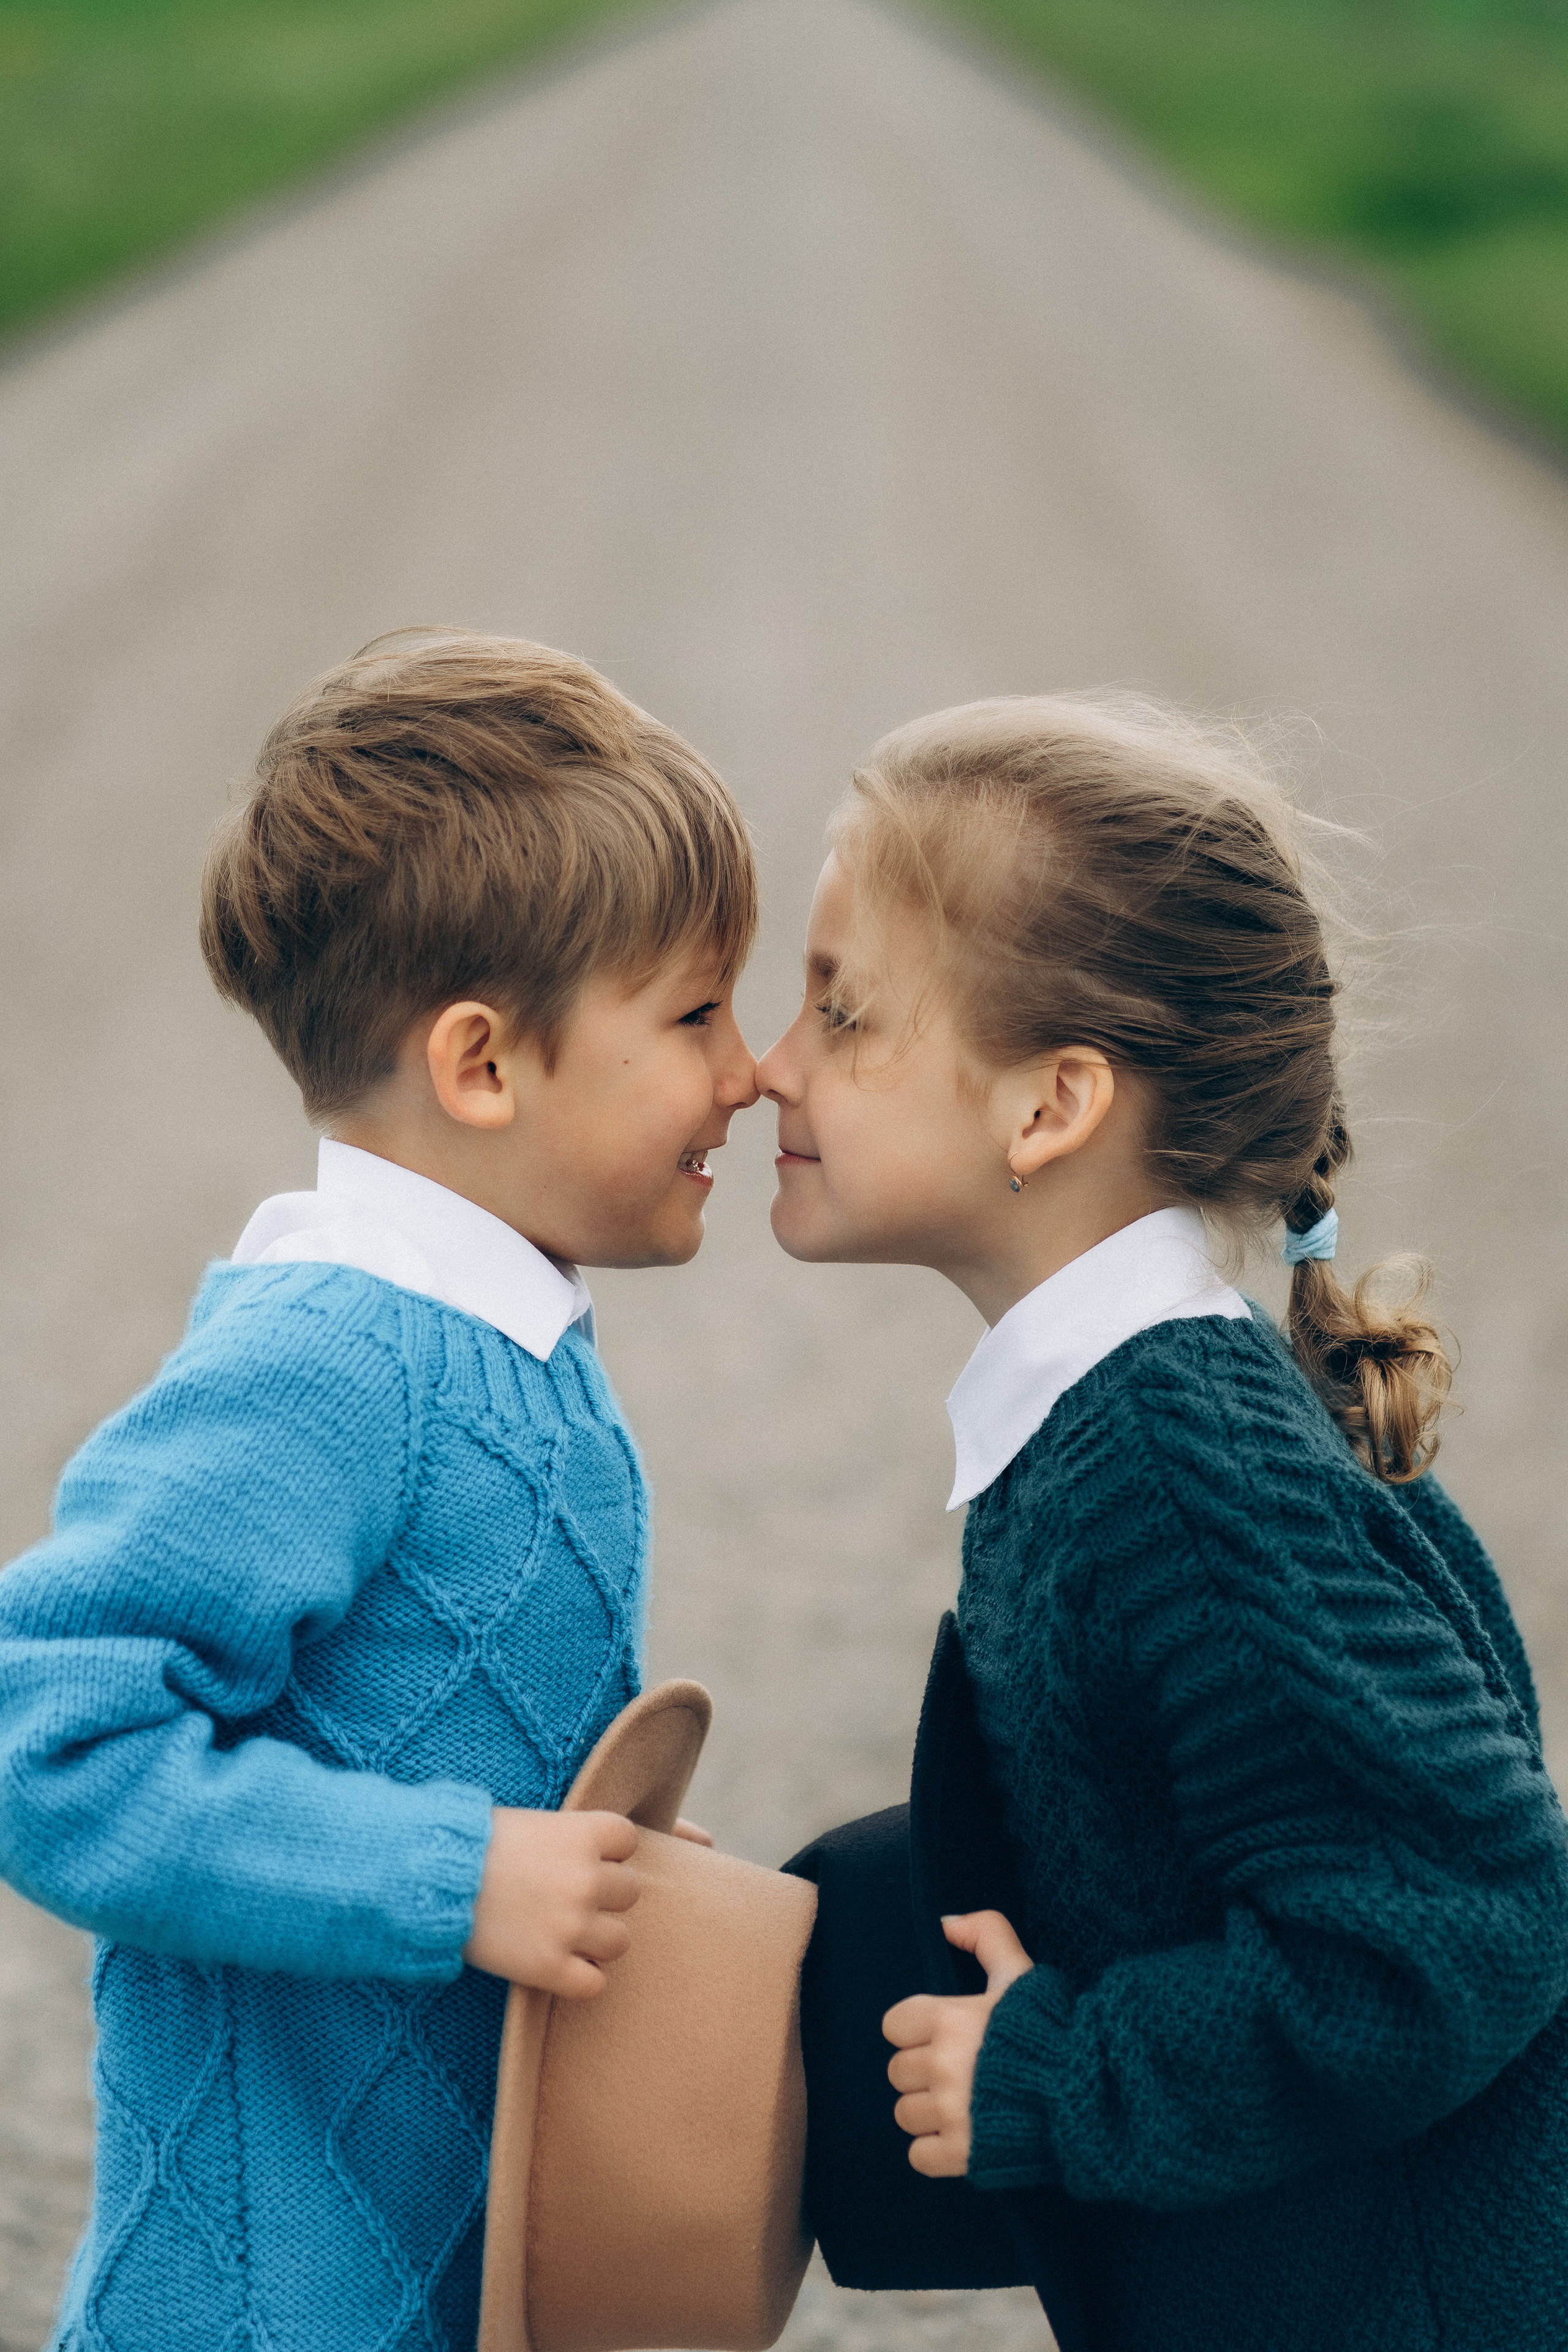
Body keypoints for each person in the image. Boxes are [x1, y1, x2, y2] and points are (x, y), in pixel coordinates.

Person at [756, 693, 1568, 2351]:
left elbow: (1464, 1920)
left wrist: (1061, 2071)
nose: (771, 1064)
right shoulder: (1115, 1424)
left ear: (1048, 1107)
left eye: (841, 1013)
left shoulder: (1176, 1465)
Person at [0, 630, 758, 2352]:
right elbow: (47, 1728)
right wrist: (458, 1874)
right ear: (483, 1064)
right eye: (698, 1013)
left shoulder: (505, 1336)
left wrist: (573, 1848)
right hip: (272, 2304)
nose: (750, 1071)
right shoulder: (336, 1360)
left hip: (446, 2261)